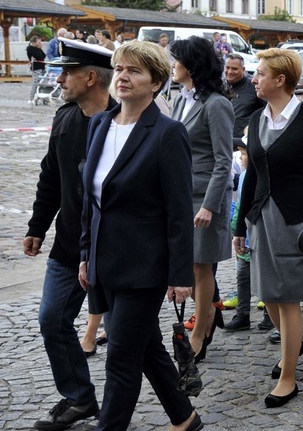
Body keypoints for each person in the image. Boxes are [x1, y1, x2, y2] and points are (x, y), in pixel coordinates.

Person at [78, 40, 202, 430]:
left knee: (121, 359)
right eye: (119, 69)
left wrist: (181, 275)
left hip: (144, 267)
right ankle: (185, 417)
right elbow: (91, 197)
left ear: (156, 82)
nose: (123, 77)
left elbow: (179, 209)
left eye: (135, 71)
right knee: (146, 347)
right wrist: (85, 251)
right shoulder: (100, 123)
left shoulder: (168, 133)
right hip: (103, 260)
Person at [233, 48, 303, 408]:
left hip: (297, 221)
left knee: (288, 297)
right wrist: (240, 224)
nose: (254, 79)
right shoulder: (257, 118)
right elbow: (252, 175)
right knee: (269, 295)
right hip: (262, 218)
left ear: (280, 80)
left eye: (260, 74)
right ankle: (293, 344)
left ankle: (288, 378)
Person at [25, 38, 117, 431]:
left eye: (67, 72)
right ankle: (80, 398)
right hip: (67, 242)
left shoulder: (125, 122)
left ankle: (167, 406)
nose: (59, 78)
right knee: (51, 319)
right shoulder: (64, 117)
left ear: (91, 78)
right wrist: (36, 227)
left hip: (115, 247)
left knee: (133, 337)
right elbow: (51, 176)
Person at [170, 36, 234, 362]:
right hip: (183, 195)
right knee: (189, 264)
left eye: (177, 60)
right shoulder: (183, 99)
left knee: (199, 267)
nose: (173, 65)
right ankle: (207, 315)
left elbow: (224, 161)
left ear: (192, 65)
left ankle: (200, 331)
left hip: (206, 197)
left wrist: (209, 204)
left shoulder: (216, 104)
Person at [225, 135, 251, 332]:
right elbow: (240, 205)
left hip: (259, 235)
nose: (241, 158)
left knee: (263, 277)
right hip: (243, 233)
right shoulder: (242, 176)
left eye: (244, 154)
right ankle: (243, 314)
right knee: (242, 275)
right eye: (241, 154)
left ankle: (270, 313)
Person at [225, 53, 265, 138]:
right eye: (227, 68)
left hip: (243, 142)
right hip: (222, 141)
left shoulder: (254, 87)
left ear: (243, 70)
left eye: (234, 69)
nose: (230, 72)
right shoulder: (219, 87)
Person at [26, 36, 46, 104]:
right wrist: (38, 49)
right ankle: (31, 98)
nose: (39, 43)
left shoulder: (38, 48)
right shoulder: (30, 48)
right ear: (34, 42)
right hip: (36, 67)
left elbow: (43, 56)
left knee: (41, 83)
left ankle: (39, 97)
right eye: (38, 42)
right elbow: (36, 56)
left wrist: (40, 49)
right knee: (35, 83)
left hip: (42, 66)